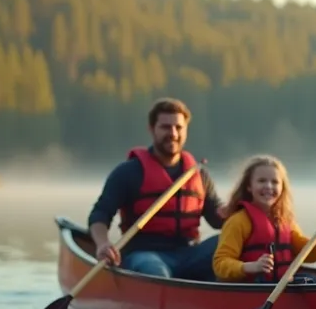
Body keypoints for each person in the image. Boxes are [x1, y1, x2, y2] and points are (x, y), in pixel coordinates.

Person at [86, 98, 226, 281]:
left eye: (178, 127)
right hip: (144, 254)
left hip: (190, 254)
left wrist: (234, 211)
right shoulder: (128, 172)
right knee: (156, 272)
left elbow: (217, 220)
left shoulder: (199, 174)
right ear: (152, 129)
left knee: (228, 243)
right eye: (166, 127)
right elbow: (99, 215)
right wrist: (103, 244)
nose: (173, 133)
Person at [212, 154, 316, 284]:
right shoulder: (238, 221)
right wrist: (251, 266)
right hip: (252, 285)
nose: (268, 186)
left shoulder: (285, 221)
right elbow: (220, 264)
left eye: (275, 182)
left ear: (282, 188)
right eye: (261, 181)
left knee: (311, 280)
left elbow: (311, 255)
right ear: (249, 187)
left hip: (280, 284)